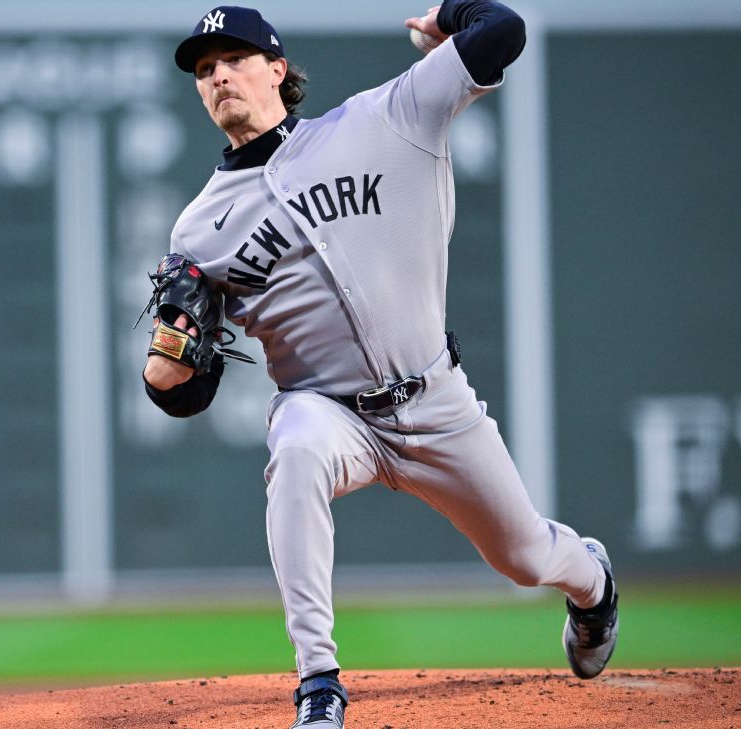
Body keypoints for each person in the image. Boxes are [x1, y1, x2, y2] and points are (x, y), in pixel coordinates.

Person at [143, 3, 619, 727]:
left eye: (234, 59)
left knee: (522, 556)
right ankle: (318, 681)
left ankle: (593, 585)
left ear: (277, 69)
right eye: (205, 69)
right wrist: (169, 365)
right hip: (325, 409)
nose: (218, 76)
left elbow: (505, 30)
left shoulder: (383, 119)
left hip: (434, 399)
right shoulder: (199, 228)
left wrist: (451, 19)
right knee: (296, 450)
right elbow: (182, 393)